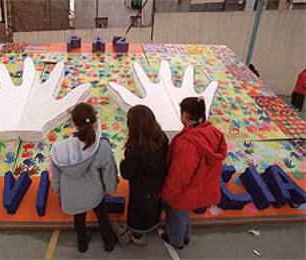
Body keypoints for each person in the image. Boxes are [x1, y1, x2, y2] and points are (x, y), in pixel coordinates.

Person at [160, 97, 227, 249]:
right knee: (184, 214)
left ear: (185, 114)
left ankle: (176, 241)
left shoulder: (186, 144)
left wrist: (168, 193)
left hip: (185, 190)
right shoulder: (213, 132)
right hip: (202, 185)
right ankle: (186, 236)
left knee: (176, 214)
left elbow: (179, 175)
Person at [51, 102, 118, 253]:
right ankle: (108, 242)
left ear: (73, 123)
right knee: (102, 215)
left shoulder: (59, 149)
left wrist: (59, 191)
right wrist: (109, 189)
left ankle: (82, 244)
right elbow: (109, 172)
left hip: (72, 194)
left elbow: (55, 175)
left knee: (79, 218)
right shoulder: (102, 146)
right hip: (95, 193)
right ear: (94, 121)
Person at [119, 105, 169, 246]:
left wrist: (123, 163)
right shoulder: (162, 138)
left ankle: (138, 235)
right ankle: (152, 224)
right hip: (157, 184)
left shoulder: (135, 149)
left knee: (139, 213)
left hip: (141, 189)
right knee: (153, 206)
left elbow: (127, 173)